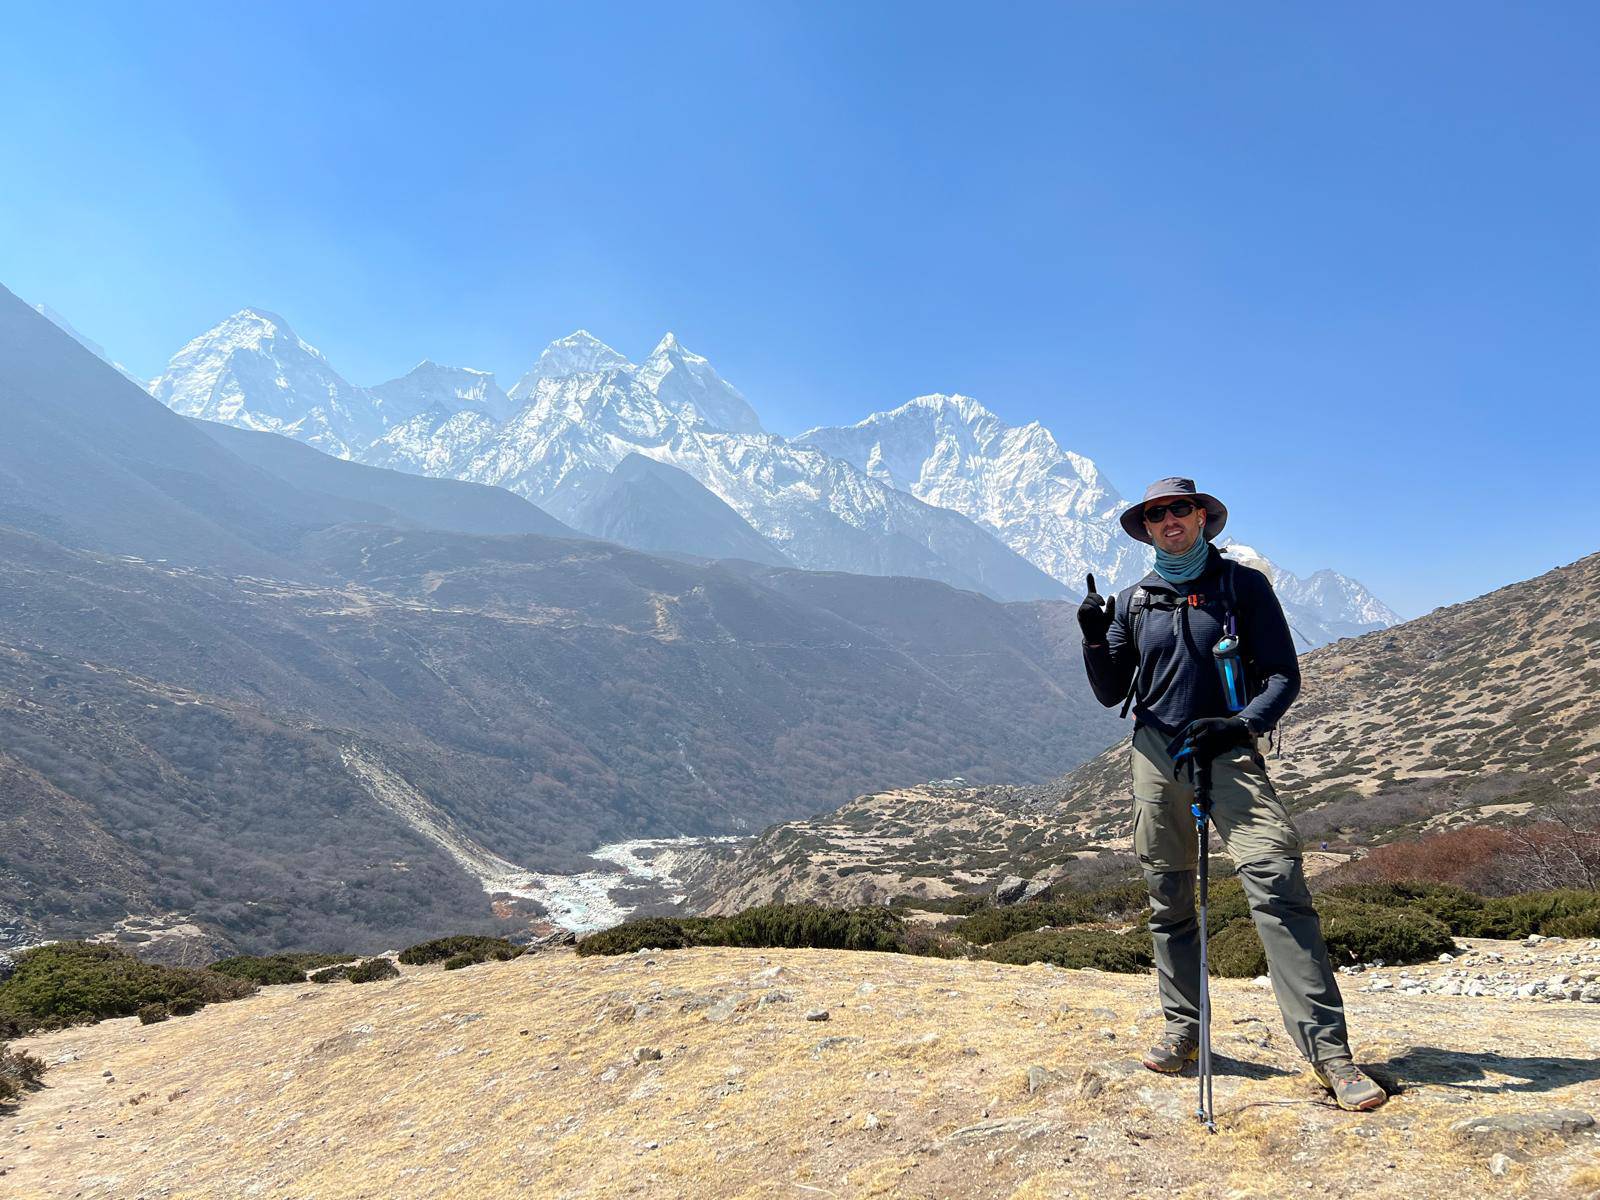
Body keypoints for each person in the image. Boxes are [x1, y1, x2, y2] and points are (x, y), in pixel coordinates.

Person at [1078, 476, 1386, 1112]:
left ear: (1201, 518)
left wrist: (1241, 724)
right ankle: (1183, 1031)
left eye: (1179, 510)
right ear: (1146, 527)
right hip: (1156, 753)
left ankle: (1331, 1054)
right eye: (1156, 513)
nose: (1168, 520)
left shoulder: (1244, 587)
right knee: (1168, 896)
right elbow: (1111, 691)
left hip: (1228, 751)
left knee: (1277, 882)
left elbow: (1282, 675)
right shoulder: (1136, 601)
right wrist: (1091, 637)